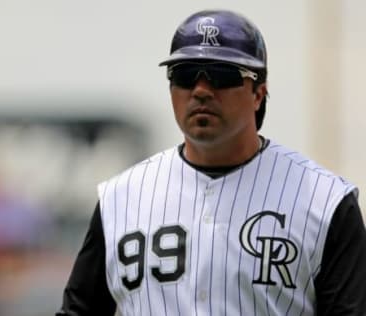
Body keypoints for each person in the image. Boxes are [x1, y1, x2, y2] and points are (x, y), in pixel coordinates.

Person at [56, 9, 366, 316]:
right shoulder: (119, 199)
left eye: (221, 75)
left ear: (258, 93)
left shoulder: (325, 202)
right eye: (185, 76)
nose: (201, 91)